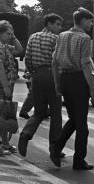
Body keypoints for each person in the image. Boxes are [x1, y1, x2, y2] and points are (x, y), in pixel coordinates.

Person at [51, 7, 94, 170]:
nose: (91, 24)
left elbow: (54, 62)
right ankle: (78, 159)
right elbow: (85, 65)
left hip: (65, 79)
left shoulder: (62, 36)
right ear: (83, 21)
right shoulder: (85, 38)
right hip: (78, 80)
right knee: (82, 124)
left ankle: (56, 147)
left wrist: (57, 84)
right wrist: (92, 90)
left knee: (74, 119)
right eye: (90, 21)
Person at [18, 13, 63, 159]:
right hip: (51, 76)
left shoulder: (33, 37)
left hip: (36, 76)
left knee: (38, 111)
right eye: (57, 24)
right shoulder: (56, 39)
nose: (59, 27)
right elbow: (57, 61)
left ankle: (26, 134)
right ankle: (54, 148)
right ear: (49, 24)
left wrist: (33, 72)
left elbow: (28, 57)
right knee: (56, 114)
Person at [0, 20, 23, 155]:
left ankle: (3, 144)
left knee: (3, 115)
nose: (10, 36)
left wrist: (13, 37)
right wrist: (6, 87)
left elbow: (19, 50)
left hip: (4, 86)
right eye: (8, 33)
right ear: (0, 33)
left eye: (11, 34)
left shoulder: (4, 45)